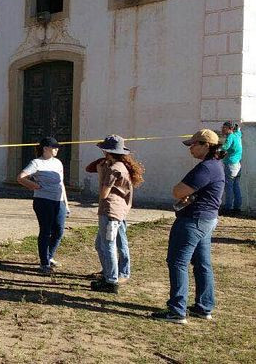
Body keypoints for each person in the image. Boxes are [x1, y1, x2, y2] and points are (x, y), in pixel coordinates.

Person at [152, 129, 224, 324]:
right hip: (206, 219)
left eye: (193, 144)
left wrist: (184, 194)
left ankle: (177, 310)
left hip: (193, 220)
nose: (190, 148)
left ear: (206, 146)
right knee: (202, 264)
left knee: (177, 262)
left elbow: (177, 191)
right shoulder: (215, 165)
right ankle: (204, 307)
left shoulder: (206, 168)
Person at [85, 135, 145, 293]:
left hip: (110, 210)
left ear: (107, 151)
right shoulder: (122, 166)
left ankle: (111, 280)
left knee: (107, 245)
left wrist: (101, 173)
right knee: (103, 244)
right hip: (118, 210)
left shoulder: (114, 169)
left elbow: (104, 193)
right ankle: (110, 274)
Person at [17, 136, 70, 274]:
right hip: (43, 201)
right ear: (46, 148)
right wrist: (34, 185)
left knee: (59, 230)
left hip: (59, 201)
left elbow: (61, 184)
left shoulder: (58, 163)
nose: (57, 149)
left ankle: (50, 256)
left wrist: (66, 203)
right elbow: (21, 177)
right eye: (54, 147)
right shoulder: (36, 163)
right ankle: (44, 263)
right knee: (46, 231)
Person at [220, 121, 242, 216]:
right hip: (237, 165)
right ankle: (237, 208)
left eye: (224, 127)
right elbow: (239, 131)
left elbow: (225, 147)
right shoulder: (237, 135)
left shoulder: (230, 137)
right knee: (236, 186)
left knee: (228, 187)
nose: (222, 129)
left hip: (230, 165)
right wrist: (237, 128)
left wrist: (217, 145)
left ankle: (228, 208)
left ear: (230, 129)